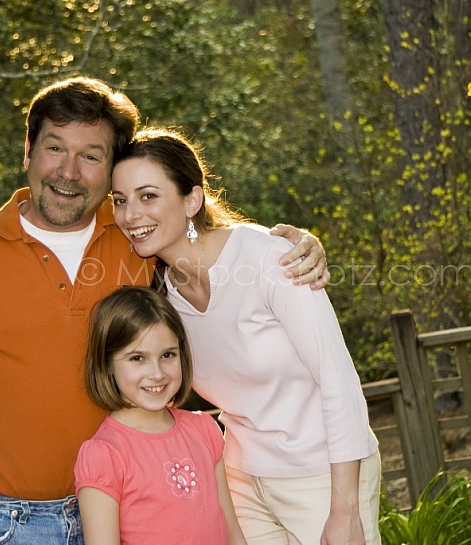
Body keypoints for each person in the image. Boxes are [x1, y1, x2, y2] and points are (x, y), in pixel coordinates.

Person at [0, 77, 327, 545]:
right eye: (55, 148)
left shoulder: (137, 239)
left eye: (91, 156)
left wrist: (285, 244)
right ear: (28, 151)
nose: (68, 172)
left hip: (137, 514)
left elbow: (207, 243)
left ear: (112, 168)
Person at [111, 127, 381, 545]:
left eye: (148, 196)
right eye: (121, 200)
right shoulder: (160, 298)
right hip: (240, 481)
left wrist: (343, 510)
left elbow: (339, 380)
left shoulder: (268, 258)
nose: (131, 215)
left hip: (323, 475)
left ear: (192, 200)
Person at [74, 286, 246, 545]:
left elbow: (232, 532)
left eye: (167, 355)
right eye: (137, 358)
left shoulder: (203, 430)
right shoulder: (104, 454)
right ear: (107, 363)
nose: (156, 373)